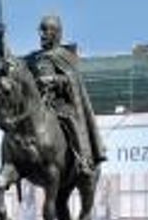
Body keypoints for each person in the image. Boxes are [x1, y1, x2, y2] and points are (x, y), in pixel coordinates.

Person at [26, 14, 106, 176]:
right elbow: (15, 67)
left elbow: (73, 81)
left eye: (45, 30)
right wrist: (1, 40)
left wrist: (53, 80)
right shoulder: (33, 58)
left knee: (71, 122)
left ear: (55, 33)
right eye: (40, 31)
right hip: (40, 105)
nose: (41, 35)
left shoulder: (66, 55)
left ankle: (83, 159)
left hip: (60, 105)